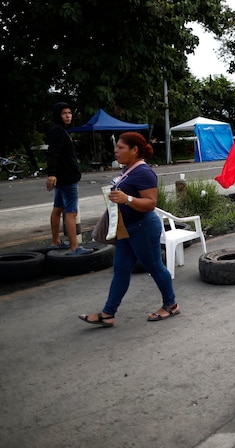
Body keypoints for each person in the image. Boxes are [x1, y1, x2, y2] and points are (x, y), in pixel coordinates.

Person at [78, 132, 178, 327]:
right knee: (121, 270)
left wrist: (127, 199)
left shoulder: (144, 172)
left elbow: (150, 203)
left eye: (121, 147)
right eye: (116, 147)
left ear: (134, 150)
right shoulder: (128, 170)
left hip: (143, 228)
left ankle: (171, 304)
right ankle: (108, 314)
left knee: (155, 267)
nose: (116, 151)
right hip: (126, 229)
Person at [45, 102, 92, 255]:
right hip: (67, 178)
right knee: (71, 212)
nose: (68, 116)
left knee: (58, 208)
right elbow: (53, 153)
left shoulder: (61, 131)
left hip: (63, 177)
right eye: (64, 113)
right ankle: (74, 247)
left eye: (70, 113)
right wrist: (51, 173)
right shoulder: (58, 131)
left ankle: (56, 241)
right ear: (58, 115)